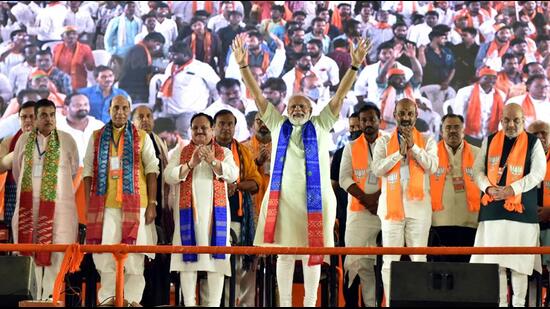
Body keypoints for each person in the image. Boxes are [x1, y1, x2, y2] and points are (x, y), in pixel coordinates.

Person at [232, 34, 370, 306]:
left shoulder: (320, 125)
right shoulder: (276, 123)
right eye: (293, 105)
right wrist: (243, 67)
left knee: (313, 253)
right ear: (285, 109)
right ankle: (285, 304)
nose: (297, 109)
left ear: (311, 110)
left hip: (316, 203)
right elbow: (259, 97)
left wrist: (354, 67)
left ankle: (308, 303)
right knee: (284, 254)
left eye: (302, 106)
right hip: (283, 201)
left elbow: (340, 96)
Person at [83, 95, 159, 306]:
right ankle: (108, 299)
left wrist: (152, 203)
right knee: (105, 255)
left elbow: (153, 169)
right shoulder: (96, 136)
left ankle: (132, 300)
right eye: (116, 107)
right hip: (104, 207)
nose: (120, 112)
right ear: (109, 110)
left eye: (125, 108)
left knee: (135, 255)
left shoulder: (141, 137)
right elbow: (87, 171)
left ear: (129, 110)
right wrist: (89, 206)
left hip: (137, 205)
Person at [471, 103, 545, 307]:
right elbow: (477, 171)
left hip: (521, 212)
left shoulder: (533, 142)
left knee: (519, 265)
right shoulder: (490, 139)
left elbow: (538, 173)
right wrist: (488, 188)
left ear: (523, 121)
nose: (511, 124)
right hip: (493, 210)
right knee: (496, 266)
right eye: (507, 120)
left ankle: (519, 304)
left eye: (516, 120)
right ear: (501, 120)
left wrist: (513, 189)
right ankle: (502, 304)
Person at [164, 113, 238, 307]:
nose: (199, 131)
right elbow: (169, 176)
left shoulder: (223, 152)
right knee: (188, 263)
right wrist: (191, 164)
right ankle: (189, 304)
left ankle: (213, 304)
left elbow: (232, 174)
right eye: (195, 127)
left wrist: (213, 161)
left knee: (217, 263)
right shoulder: (181, 152)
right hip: (188, 221)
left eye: (203, 127)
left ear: (212, 130)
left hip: (215, 221)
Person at [371, 98, 438, 304]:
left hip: (419, 211)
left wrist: (414, 147)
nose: (406, 118)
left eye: (410, 114)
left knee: (419, 259)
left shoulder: (427, 140)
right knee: (390, 261)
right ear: (395, 115)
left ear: (416, 116)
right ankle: (391, 303)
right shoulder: (383, 141)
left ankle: (419, 302)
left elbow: (432, 167)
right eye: (402, 114)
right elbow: (377, 169)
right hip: (391, 211)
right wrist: (399, 154)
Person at [12, 99, 79, 300]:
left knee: (56, 255)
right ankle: (31, 300)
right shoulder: (24, 141)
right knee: (28, 257)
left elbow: (74, 171)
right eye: (43, 115)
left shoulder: (68, 140)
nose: (48, 119)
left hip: (60, 211)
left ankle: (51, 299)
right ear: (36, 118)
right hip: (28, 209)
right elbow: (17, 171)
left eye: (52, 115)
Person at [213, 109, 262, 307]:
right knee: (220, 268)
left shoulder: (242, 151)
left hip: (239, 217)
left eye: (229, 124)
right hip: (213, 220)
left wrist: (236, 186)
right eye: (221, 124)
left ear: (235, 127)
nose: (225, 128)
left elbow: (256, 182)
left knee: (244, 268)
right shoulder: (207, 150)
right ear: (214, 127)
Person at [339, 104, 383, 307]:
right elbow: (344, 178)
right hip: (359, 213)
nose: (367, 124)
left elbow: (399, 175)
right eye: (364, 120)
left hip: (385, 213)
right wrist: (367, 199)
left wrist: (378, 199)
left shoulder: (390, 143)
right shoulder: (351, 146)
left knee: (378, 265)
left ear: (379, 120)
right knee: (354, 264)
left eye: (371, 119)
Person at [131, 105, 173, 306]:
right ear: (133, 121)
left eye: (149, 116)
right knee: (139, 258)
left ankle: (158, 301)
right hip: (139, 208)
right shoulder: (131, 142)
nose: (145, 120)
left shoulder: (159, 141)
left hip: (160, 211)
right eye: (141, 117)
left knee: (159, 258)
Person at [429, 114, 480, 262]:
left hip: (470, 222)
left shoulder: (478, 154)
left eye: (457, 127)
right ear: (441, 131)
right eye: (448, 127)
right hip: (439, 222)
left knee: (466, 271)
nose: (452, 131)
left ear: (464, 130)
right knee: (440, 270)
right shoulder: (430, 155)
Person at [0, 101, 35, 242]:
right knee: (16, 242)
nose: (27, 121)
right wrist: (11, 158)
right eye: (23, 117)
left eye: (31, 116)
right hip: (15, 200)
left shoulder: (55, 140)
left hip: (45, 199)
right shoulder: (10, 141)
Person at [451, 67, 505, 146]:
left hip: (490, 136)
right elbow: (458, 114)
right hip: (469, 135)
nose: (491, 81)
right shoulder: (465, 92)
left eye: (494, 78)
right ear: (480, 78)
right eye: (487, 78)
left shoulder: (501, 95)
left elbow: (502, 116)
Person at [526, 121, 550, 273]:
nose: (540, 136)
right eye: (535, 134)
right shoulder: (519, 160)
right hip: (525, 226)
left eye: (544, 133)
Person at [57, 93, 104, 165]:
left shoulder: (98, 126)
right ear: (66, 108)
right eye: (78, 105)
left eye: (86, 104)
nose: (83, 108)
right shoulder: (57, 128)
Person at [119, 32, 165, 104]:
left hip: (136, 88)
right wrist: (157, 69)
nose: (157, 48)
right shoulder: (138, 50)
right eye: (157, 44)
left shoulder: (142, 49)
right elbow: (138, 69)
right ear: (150, 41)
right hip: (133, 89)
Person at [53, 26, 96, 90]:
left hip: (78, 84)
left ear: (77, 36)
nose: (71, 36)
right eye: (68, 34)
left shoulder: (85, 48)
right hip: (59, 83)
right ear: (62, 37)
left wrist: (89, 64)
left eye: (74, 34)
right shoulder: (57, 48)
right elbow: (53, 66)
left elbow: (91, 68)